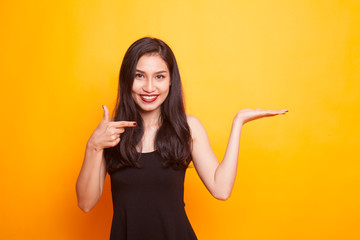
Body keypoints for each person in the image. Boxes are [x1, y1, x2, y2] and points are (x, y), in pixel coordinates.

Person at [75, 37, 288, 240]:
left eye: (159, 76)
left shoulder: (187, 127)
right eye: (139, 75)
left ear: (170, 82)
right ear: (126, 79)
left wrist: (238, 122)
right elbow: (85, 203)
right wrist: (93, 145)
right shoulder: (110, 131)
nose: (149, 87)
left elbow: (221, 189)